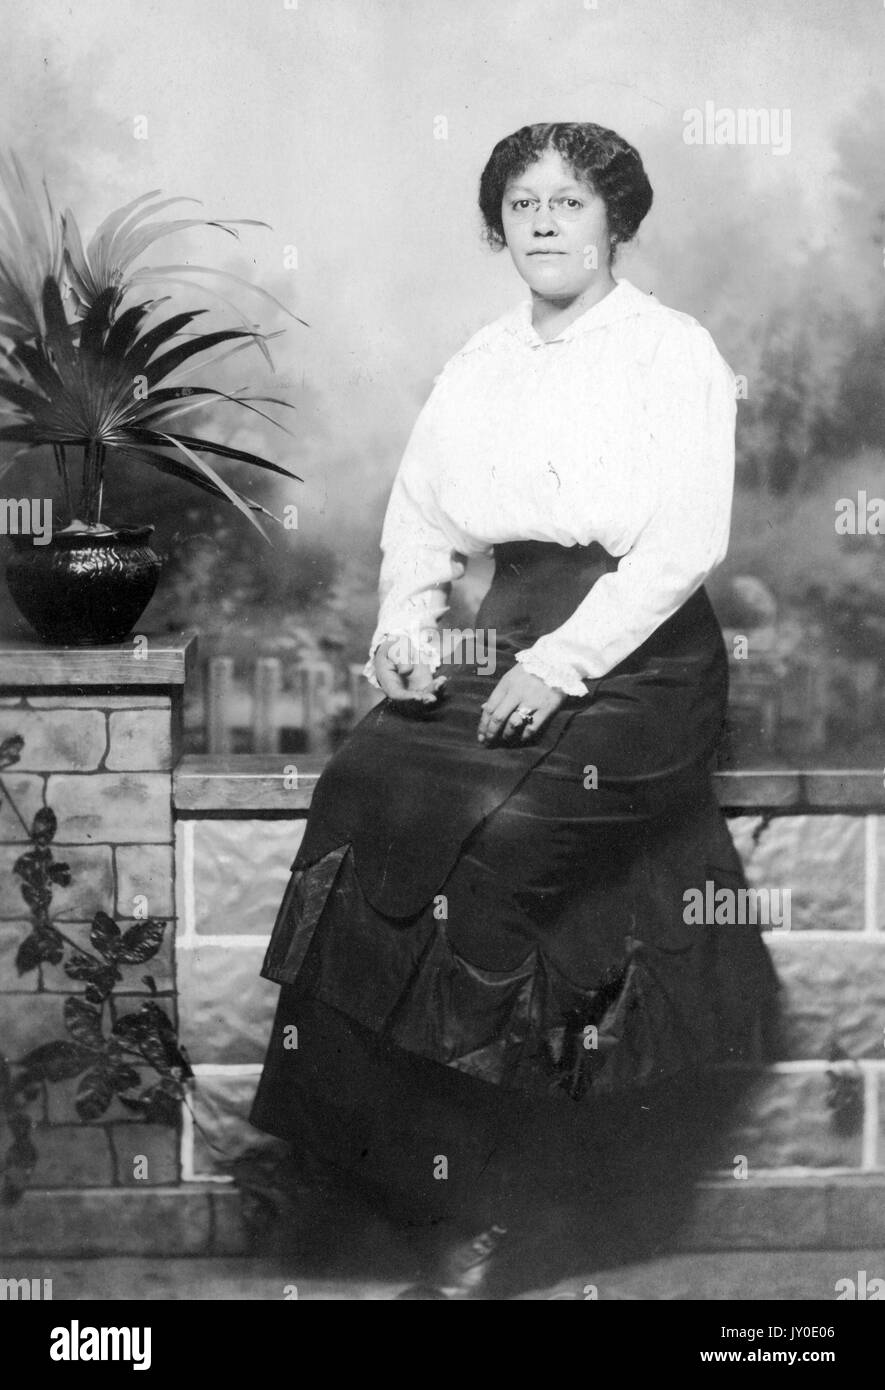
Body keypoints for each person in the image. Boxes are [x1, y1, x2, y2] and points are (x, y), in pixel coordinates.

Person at [249, 120, 779, 1300]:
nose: (545, 221)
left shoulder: (670, 351)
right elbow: (421, 523)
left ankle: (493, 1208)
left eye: (572, 202)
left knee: (493, 852)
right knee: (357, 792)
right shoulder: (478, 361)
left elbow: (685, 543)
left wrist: (567, 664)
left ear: (616, 223)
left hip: (637, 663)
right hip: (510, 631)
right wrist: (405, 636)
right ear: (501, 225)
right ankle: (395, 1184)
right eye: (524, 202)